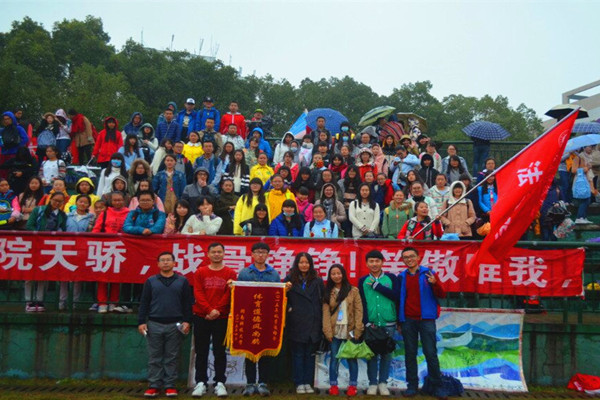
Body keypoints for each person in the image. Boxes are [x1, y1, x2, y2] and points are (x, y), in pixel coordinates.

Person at [138, 251, 193, 398]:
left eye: (169, 260)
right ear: (158, 264)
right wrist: (141, 321)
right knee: (154, 357)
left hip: (175, 325)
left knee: (171, 357)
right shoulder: (151, 281)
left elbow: (187, 303)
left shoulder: (182, 281)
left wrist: (187, 321)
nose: (166, 262)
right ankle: (153, 386)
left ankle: (170, 385)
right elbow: (144, 302)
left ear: (174, 263)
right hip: (154, 323)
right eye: (162, 260)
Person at [397, 247, 446, 399]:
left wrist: (435, 283)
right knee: (410, 354)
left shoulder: (429, 273)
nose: (409, 259)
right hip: (408, 320)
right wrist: (399, 321)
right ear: (403, 260)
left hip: (426, 320)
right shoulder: (401, 277)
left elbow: (442, 294)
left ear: (418, 257)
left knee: (430, 353)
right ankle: (412, 386)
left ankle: (437, 386)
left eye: (412, 256)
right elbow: (398, 300)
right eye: (406, 257)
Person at [191, 242, 237, 398]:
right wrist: (209, 310)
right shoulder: (200, 272)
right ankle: (201, 382)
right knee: (201, 351)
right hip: (202, 316)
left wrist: (216, 310)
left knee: (220, 351)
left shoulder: (230, 273)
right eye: (213, 252)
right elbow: (198, 293)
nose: (216, 254)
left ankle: (220, 383)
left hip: (221, 317)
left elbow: (229, 294)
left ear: (224, 254)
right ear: (208, 254)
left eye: (219, 252)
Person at [237, 242, 281, 397]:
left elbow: (278, 296)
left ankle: (263, 383)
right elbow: (239, 295)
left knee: (265, 352)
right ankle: (250, 383)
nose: (260, 255)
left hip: (267, 318)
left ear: (268, 255)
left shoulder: (274, 274)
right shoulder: (244, 273)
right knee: (249, 352)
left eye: (263, 252)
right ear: (252, 254)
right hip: (250, 317)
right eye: (257, 252)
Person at [358, 250, 399, 396]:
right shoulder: (363, 280)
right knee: (372, 355)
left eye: (377, 261)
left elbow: (396, 296)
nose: (374, 264)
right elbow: (361, 302)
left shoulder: (391, 278)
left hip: (389, 323)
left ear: (382, 262)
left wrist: (377, 286)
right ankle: (372, 384)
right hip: (372, 324)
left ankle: (383, 383)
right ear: (366, 263)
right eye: (371, 261)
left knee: (387, 354)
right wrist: (366, 322)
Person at [284, 252, 324, 394]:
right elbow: (281, 297)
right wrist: (289, 307)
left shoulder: (317, 280)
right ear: (297, 264)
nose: (304, 265)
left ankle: (308, 382)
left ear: (310, 264)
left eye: (307, 262)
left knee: (310, 354)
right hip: (296, 322)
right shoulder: (289, 279)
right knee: (298, 354)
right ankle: (299, 382)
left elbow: (322, 300)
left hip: (313, 322)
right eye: (301, 262)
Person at [323, 264, 364, 397]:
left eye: (339, 273)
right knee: (334, 359)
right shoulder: (327, 292)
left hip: (350, 331)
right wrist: (327, 331)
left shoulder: (353, 290)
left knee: (351, 358)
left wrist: (358, 329)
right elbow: (325, 314)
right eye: (333, 274)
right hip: (335, 331)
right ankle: (333, 385)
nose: (336, 276)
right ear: (330, 276)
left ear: (343, 274)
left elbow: (359, 311)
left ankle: (353, 385)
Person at [25, 191, 67, 312]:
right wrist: (40, 236)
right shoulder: (38, 210)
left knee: (44, 273)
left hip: (51, 247)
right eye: (55, 200)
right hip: (35, 245)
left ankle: (40, 300)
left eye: (60, 201)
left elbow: (63, 229)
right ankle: (28, 301)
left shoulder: (62, 215)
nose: (57, 203)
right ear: (50, 199)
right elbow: (30, 225)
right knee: (30, 275)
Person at [92, 191, 131, 313]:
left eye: (120, 200)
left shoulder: (130, 213)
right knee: (102, 276)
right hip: (105, 248)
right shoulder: (104, 213)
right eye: (115, 200)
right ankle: (102, 302)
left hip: (122, 248)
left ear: (124, 200)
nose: (117, 202)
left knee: (117, 277)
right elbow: (96, 230)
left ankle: (114, 302)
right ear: (111, 201)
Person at [61, 194, 94, 310]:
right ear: (76, 203)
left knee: (77, 278)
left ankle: (74, 302)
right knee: (64, 277)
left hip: (82, 250)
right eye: (80, 201)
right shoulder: (67, 216)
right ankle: (62, 301)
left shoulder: (91, 218)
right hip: (66, 249)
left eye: (85, 202)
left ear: (89, 205)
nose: (82, 204)